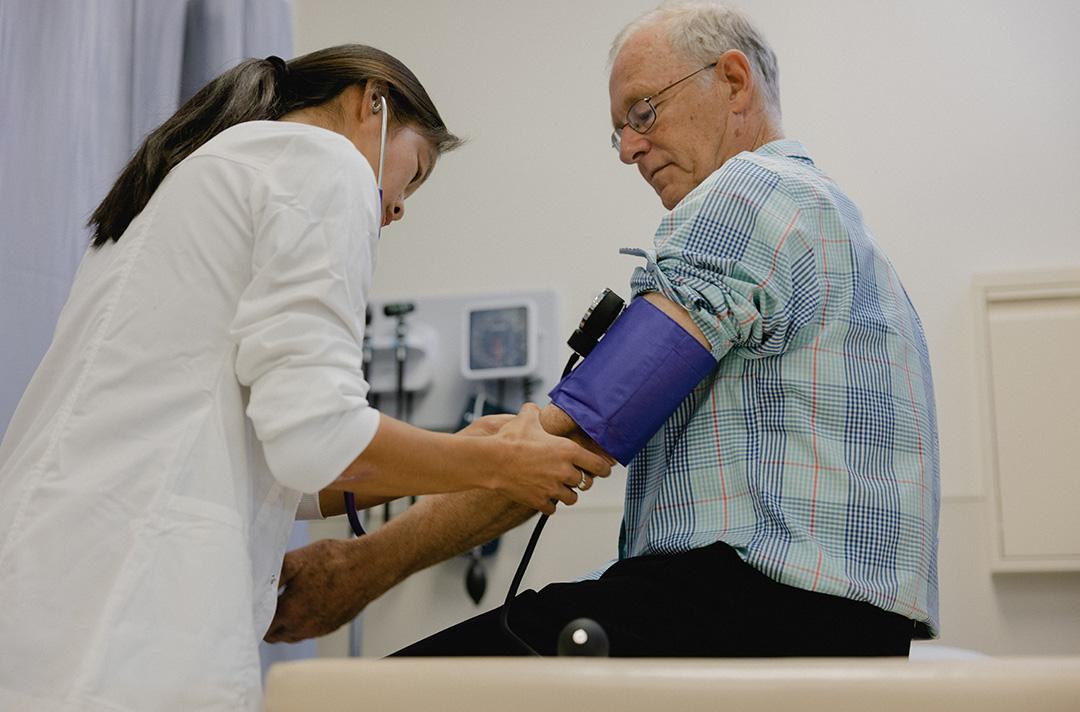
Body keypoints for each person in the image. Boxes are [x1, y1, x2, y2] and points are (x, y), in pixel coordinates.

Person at [267, 1, 940, 657]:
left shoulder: (751, 192)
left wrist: (365, 565)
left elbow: (586, 424)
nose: (628, 149)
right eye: (618, 129)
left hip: (750, 609)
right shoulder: (845, 234)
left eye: (644, 112)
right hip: (856, 633)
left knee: (389, 700)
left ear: (734, 81)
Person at [0, 45, 612, 712]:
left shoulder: (193, 179)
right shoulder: (323, 163)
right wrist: (499, 463)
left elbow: (256, 460)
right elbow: (315, 438)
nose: (402, 207)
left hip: (52, 598)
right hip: (129, 624)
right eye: (416, 173)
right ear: (369, 102)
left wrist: (446, 454)